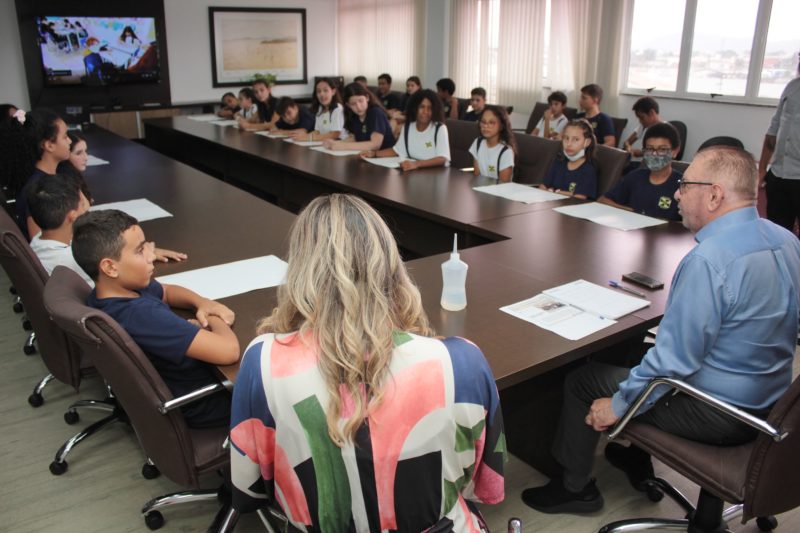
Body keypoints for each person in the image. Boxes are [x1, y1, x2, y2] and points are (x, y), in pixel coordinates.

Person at [522, 146, 800, 515]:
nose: (677, 195)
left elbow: (673, 363)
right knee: (633, 355)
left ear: (715, 195)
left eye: (685, 185)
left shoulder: (709, 260)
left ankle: (574, 488)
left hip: (721, 412)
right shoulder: (785, 239)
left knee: (584, 381)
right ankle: (637, 456)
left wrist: (618, 406)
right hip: (772, 402)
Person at [229, 194, 506, 531]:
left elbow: (248, 492)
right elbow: (485, 486)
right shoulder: (463, 363)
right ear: (392, 265)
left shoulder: (262, 363)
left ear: (300, 270)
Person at [73, 209, 239, 428]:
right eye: (140, 251)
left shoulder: (111, 293)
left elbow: (166, 291)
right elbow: (228, 351)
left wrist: (202, 302)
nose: (151, 256)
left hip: (184, 385)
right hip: (207, 401)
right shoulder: (141, 315)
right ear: (110, 267)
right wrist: (214, 316)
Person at [54, 131, 186, 263]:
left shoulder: (72, 179)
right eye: (78, 153)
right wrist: (140, 252)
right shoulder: (65, 184)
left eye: (86, 151)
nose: (86, 157)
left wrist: (139, 250)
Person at [0, 108, 71, 240]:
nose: (70, 141)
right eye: (65, 137)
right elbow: (41, 242)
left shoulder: (47, 178)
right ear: (49, 145)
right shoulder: (39, 189)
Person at [599, 122, 682, 221]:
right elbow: (603, 200)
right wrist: (632, 212)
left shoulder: (682, 185)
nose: (654, 154)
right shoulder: (635, 177)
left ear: (675, 151)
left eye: (662, 149)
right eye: (649, 149)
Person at [759, 51, 800, 236]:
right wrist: (762, 170)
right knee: (776, 233)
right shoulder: (792, 86)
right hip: (778, 174)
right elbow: (773, 129)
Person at [359, 89, 451, 171]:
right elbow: (397, 150)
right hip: (414, 172)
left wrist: (416, 164)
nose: (425, 112)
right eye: (421, 107)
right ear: (414, 108)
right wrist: (374, 154)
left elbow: (442, 158)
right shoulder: (408, 128)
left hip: (437, 174)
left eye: (430, 108)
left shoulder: (439, 128)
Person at [27, 173, 93, 286]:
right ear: (73, 216)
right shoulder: (76, 260)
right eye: (82, 204)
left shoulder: (37, 240)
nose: (86, 207)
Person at [322, 82, 395, 152]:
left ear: (367, 97)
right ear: (348, 105)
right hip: (365, 155)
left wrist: (343, 146)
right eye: (353, 104)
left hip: (385, 157)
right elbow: (355, 138)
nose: (358, 107)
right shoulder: (354, 116)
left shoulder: (376, 112)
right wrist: (335, 143)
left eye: (361, 101)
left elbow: (375, 145)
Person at [540, 119, 598, 199]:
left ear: (587, 142)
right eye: (566, 138)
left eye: (576, 139)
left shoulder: (588, 169)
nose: (569, 144)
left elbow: (579, 197)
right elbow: (543, 186)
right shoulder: (558, 161)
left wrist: (556, 192)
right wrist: (567, 193)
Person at [468, 105, 517, 182]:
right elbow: (477, 176)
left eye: (491, 122)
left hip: (498, 189)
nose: (485, 126)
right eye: (483, 122)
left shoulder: (506, 151)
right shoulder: (478, 143)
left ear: (501, 126)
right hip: (479, 187)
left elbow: (503, 184)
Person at [301, 77, 345, 141]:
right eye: (318, 91)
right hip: (324, 143)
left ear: (333, 92)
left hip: (339, 143)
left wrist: (309, 138)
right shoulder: (320, 108)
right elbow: (317, 131)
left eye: (325, 90)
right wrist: (304, 136)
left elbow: (335, 134)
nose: (321, 94)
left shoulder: (337, 109)